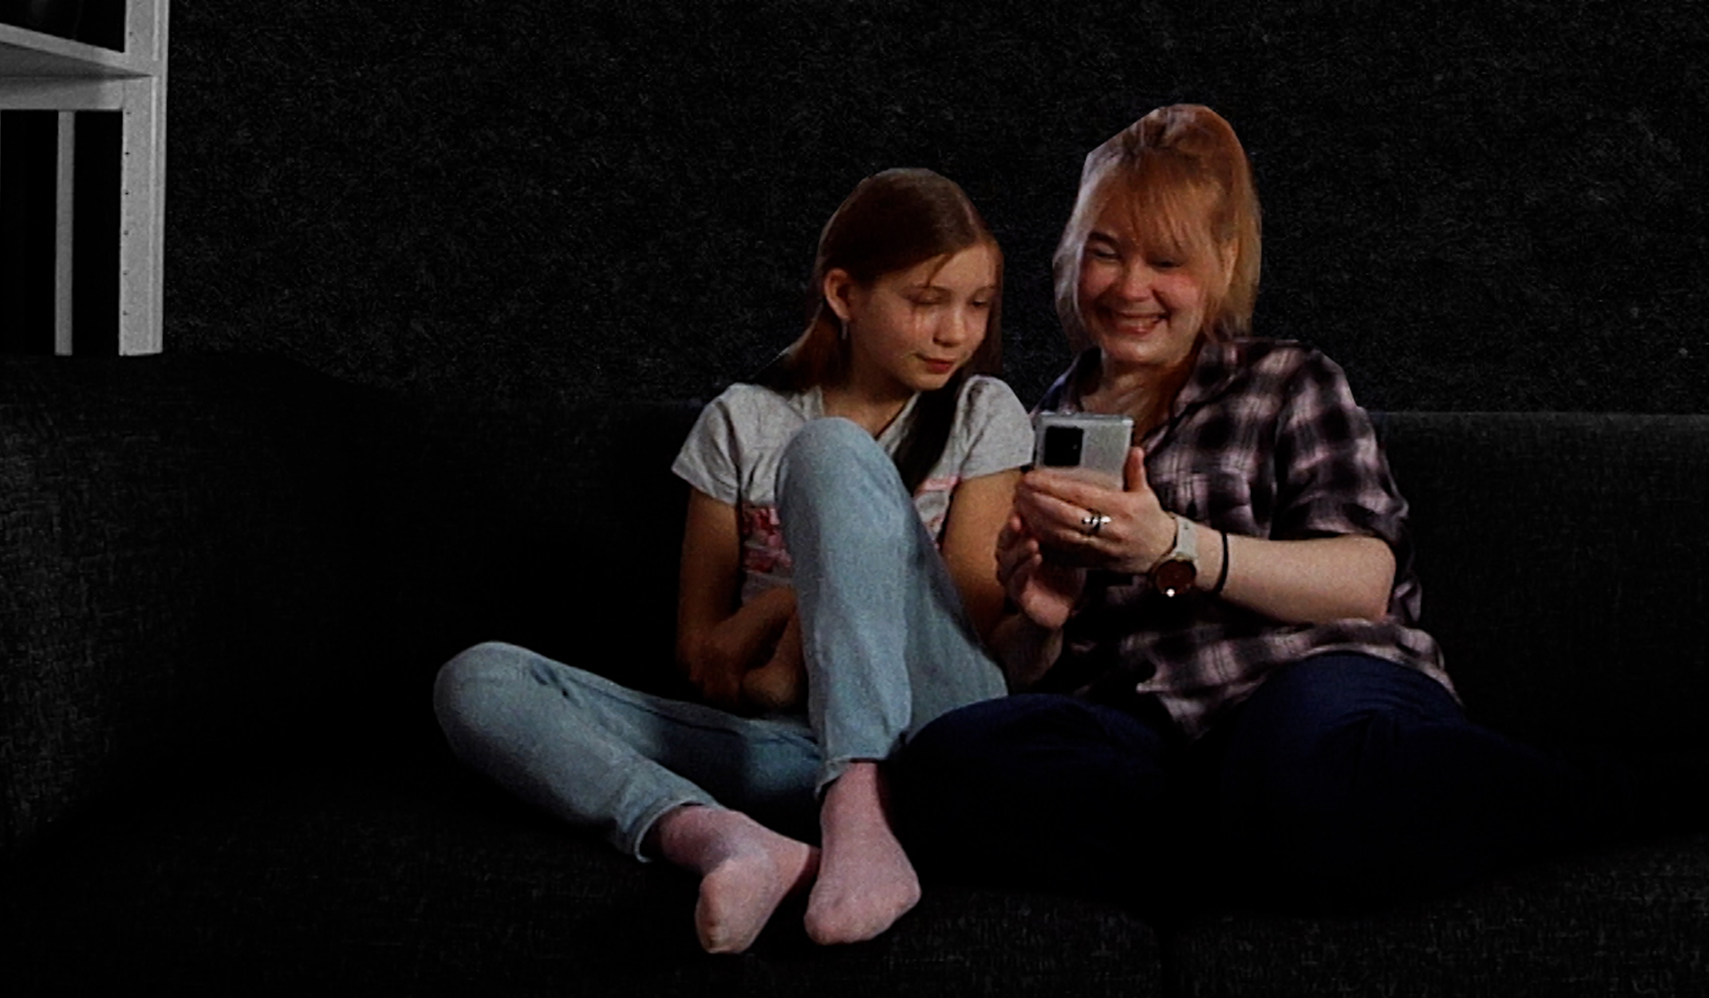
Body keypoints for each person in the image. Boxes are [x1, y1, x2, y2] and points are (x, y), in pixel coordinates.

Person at [890, 105, 1653, 912]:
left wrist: (1173, 545)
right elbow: (1021, 673)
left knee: (1296, 771)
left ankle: (1615, 791)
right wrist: (1042, 621)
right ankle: (1276, 847)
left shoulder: (1287, 380)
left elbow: (1363, 579)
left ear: (1221, 264)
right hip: (1153, 737)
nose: (1131, 287)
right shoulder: (1033, 430)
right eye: (1105, 253)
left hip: (1314, 689)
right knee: (945, 769)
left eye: (1167, 261)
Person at [434, 168, 1034, 951]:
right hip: (786, 746)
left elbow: (972, 615)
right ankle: (727, 842)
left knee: (828, 452)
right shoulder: (742, 422)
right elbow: (701, 656)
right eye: (927, 302)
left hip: (934, 729)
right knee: (476, 680)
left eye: (978, 305)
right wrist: (772, 675)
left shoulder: (982, 411)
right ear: (844, 294)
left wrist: (788, 606)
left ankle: (862, 804)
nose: (957, 332)